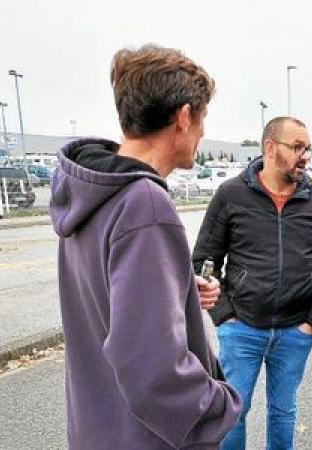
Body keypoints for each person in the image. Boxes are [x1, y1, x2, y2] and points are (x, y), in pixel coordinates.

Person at [49, 45, 242, 449]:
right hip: (145, 438)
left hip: (98, 429)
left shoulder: (93, 192)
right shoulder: (144, 203)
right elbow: (149, 366)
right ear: (184, 116)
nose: (203, 132)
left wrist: (178, 286)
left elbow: (106, 294)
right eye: (203, 117)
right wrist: (218, 405)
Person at [192, 116, 312, 450]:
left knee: (283, 411)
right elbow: (204, 262)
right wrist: (224, 316)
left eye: (307, 147)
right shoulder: (231, 195)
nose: (305, 155)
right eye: (296, 147)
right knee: (232, 411)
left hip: (295, 332)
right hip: (242, 329)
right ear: (269, 148)